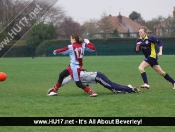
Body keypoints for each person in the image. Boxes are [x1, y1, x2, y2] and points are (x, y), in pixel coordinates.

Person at [48, 69, 141, 94]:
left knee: (114, 89)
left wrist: (54, 88)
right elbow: (65, 81)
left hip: (98, 77)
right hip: (99, 76)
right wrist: (55, 87)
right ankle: (129, 88)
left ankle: (131, 90)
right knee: (113, 85)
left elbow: (65, 81)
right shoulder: (77, 72)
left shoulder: (74, 75)